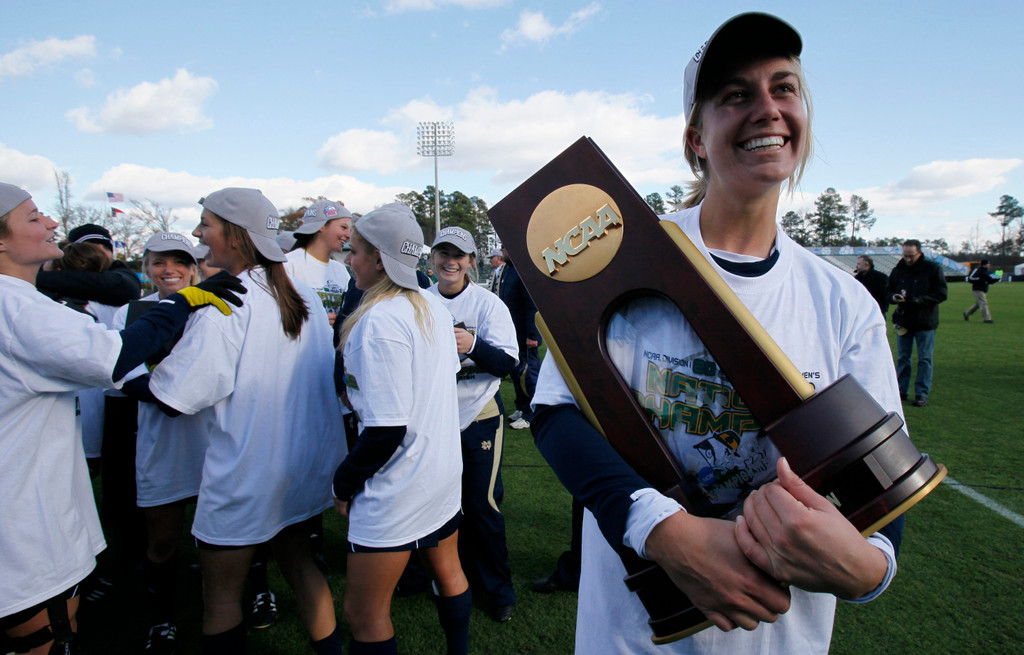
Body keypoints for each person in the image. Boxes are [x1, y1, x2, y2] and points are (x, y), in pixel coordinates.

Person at [529, 14, 905, 654]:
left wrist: (870, 569)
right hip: (633, 637)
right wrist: (664, 531)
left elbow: (881, 481)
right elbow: (555, 414)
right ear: (695, 138)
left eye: (783, 89)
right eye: (735, 96)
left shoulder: (843, 302)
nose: (767, 110)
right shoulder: (623, 257)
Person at [0, 182, 244, 655]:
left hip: (25, 495)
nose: (52, 223)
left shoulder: (24, 302)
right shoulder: (14, 306)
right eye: (33, 218)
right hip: (22, 517)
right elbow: (114, 358)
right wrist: (181, 303)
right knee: (44, 634)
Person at [144, 188, 345, 654]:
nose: (198, 234)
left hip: (246, 472)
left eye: (206, 224)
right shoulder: (306, 298)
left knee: (219, 596)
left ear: (234, 237)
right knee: (300, 565)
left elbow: (176, 397)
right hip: (300, 466)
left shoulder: (225, 305)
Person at [333, 203, 470, 655]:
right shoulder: (430, 303)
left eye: (354, 251)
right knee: (448, 571)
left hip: (400, 482)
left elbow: (387, 429)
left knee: (363, 614)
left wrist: (344, 482)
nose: (348, 259)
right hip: (441, 470)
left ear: (378, 259)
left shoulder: (379, 321)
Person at [108, 232, 210, 653]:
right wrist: (156, 392)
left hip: (210, 436)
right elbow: (114, 370)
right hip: (160, 439)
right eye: (158, 261)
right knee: (163, 538)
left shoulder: (213, 307)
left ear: (193, 267)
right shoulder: (128, 312)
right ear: (146, 267)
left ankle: (235, 599)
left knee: (220, 532)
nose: (169, 270)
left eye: (178, 261)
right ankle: (163, 618)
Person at [428, 226, 519, 622]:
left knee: (482, 504)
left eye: (459, 255)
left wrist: (473, 346)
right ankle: (443, 577)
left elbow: (508, 364)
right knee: (438, 503)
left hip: (479, 413)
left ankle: (499, 591)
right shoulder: (418, 301)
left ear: (472, 261)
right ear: (431, 259)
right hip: (433, 416)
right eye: (443, 253)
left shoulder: (488, 304)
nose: (451, 261)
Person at [887, 239, 948, 407]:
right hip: (904, 320)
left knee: (925, 359)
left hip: (925, 321)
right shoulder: (898, 270)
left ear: (919, 253)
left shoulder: (932, 269)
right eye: (905, 256)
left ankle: (921, 393)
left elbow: (942, 293)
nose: (907, 259)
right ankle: (901, 390)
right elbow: (888, 291)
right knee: (903, 358)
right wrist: (893, 297)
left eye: (911, 256)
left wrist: (919, 300)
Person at [36, 223, 141, 306]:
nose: (100, 253)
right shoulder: (51, 272)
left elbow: (123, 287)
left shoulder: (121, 277)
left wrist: (35, 278)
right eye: (89, 249)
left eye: (104, 248)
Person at [284, 199, 353, 326]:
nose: (348, 235)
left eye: (350, 230)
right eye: (343, 227)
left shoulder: (341, 270)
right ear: (321, 225)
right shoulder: (288, 265)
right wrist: (313, 322)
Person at [496, 247, 541, 430]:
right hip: (512, 334)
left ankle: (532, 414)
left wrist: (532, 335)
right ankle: (522, 408)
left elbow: (533, 305)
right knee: (516, 373)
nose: (501, 250)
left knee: (527, 375)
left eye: (505, 247)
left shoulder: (523, 271)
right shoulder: (508, 269)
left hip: (525, 335)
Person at [964, 258, 999, 323]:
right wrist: (980, 278)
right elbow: (970, 278)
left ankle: (966, 313)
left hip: (984, 289)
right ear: (984, 264)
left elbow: (990, 280)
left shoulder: (988, 271)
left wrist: (996, 279)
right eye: (988, 263)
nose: (989, 264)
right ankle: (987, 319)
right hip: (977, 289)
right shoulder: (977, 270)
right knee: (984, 303)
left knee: (978, 304)